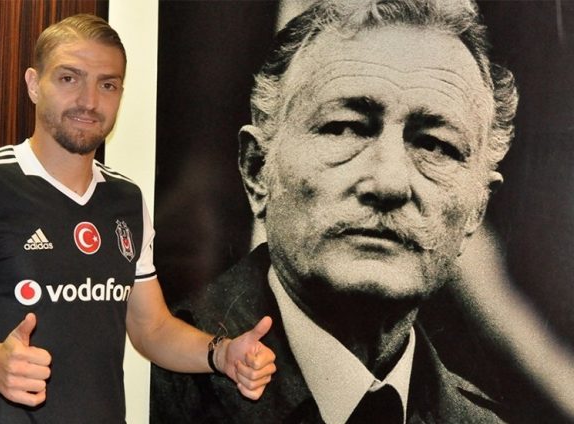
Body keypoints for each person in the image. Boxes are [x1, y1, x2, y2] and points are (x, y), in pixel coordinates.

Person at [0, 14, 276, 424]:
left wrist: (221, 354)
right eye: (69, 78)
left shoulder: (126, 199)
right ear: (34, 84)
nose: (89, 101)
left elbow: (152, 329)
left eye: (107, 84)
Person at [151, 0, 519, 422]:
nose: (388, 184)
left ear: (476, 209)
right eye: (346, 127)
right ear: (256, 170)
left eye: (434, 145)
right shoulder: (144, 385)